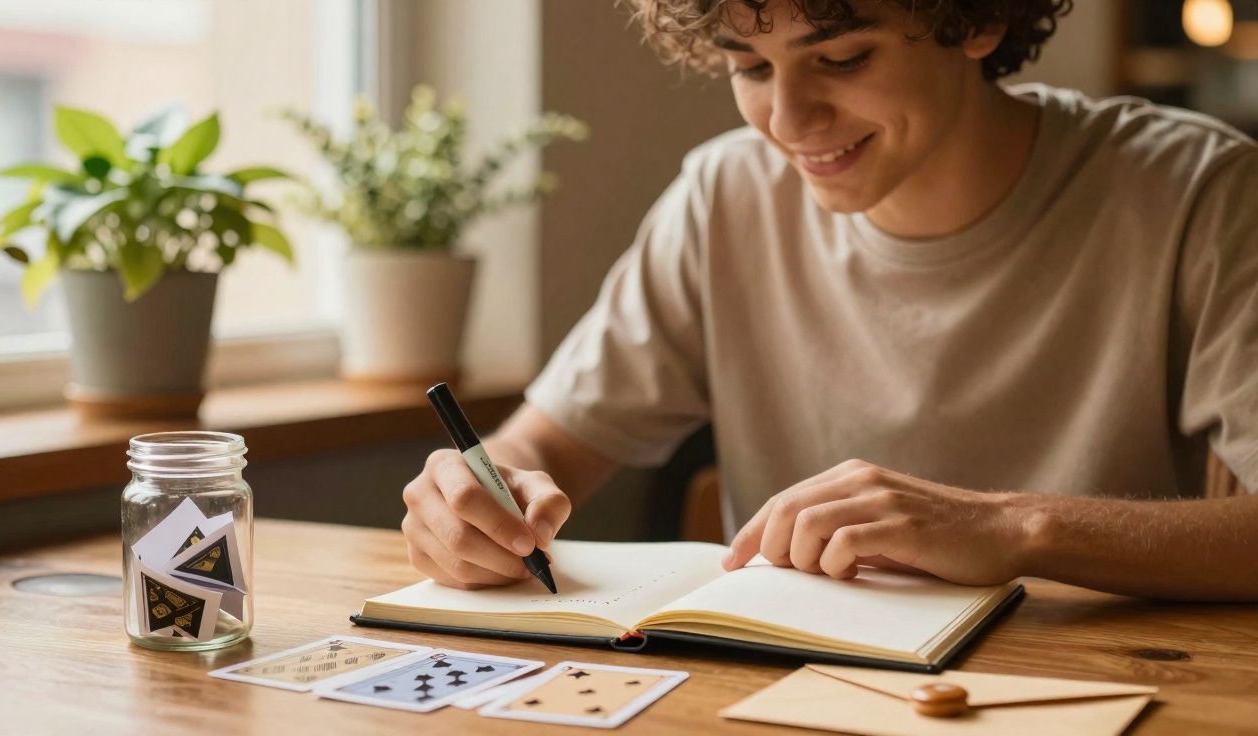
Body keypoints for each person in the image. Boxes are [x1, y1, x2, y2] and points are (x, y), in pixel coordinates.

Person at [401, 0, 1258, 601]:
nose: (789, 119)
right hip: (792, 695)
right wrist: (473, 500)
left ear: (978, 19)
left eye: (842, 58)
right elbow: (541, 444)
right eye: (748, 67)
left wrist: (1015, 528)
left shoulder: (1197, 196)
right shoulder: (725, 196)